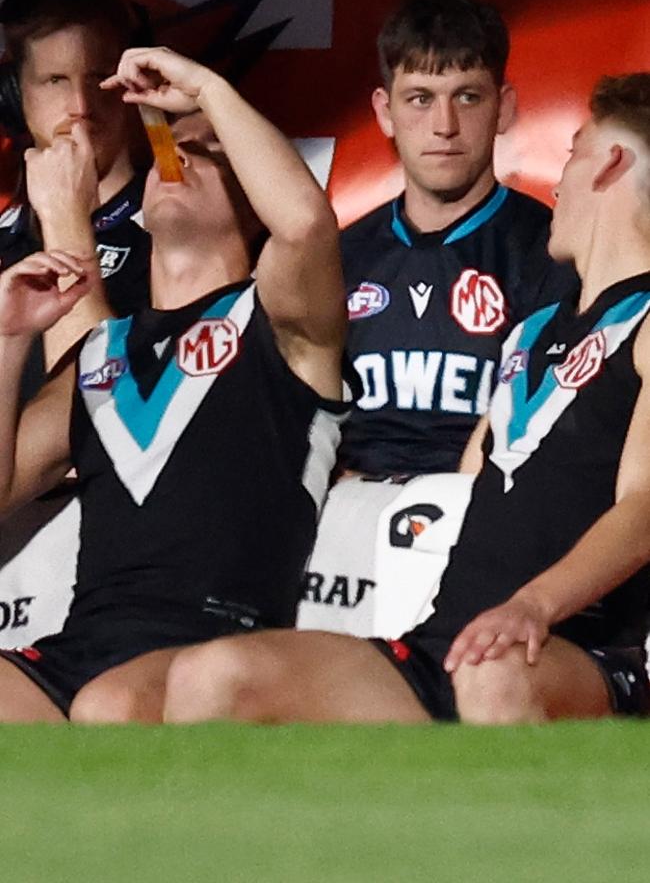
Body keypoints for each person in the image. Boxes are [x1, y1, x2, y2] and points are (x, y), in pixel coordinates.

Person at [164, 72, 650, 725]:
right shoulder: (531, 332)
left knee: (494, 678)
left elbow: (645, 506)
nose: (557, 180)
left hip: (581, 651)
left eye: (573, 151)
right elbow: (476, 484)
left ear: (612, 161)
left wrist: (534, 606)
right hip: (448, 644)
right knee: (213, 674)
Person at [0, 46, 353, 723]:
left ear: (253, 203)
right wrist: (10, 338)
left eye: (210, 150)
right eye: (168, 141)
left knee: (109, 706)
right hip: (82, 651)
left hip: (216, 648)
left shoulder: (280, 324)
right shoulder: (103, 350)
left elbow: (306, 222)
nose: (177, 154)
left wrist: (205, 85)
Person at [299, 0, 576, 635]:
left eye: (468, 97)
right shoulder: (337, 256)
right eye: (420, 98)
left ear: (504, 108)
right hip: (337, 523)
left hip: (483, 527)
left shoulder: (554, 251)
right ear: (385, 111)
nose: (444, 126)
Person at [0, 0, 152, 380]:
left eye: (99, 78)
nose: (80, 105)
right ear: (15, 97)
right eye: (54, 80)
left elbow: (109, 409)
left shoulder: (175, 225)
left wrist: (66, 220)